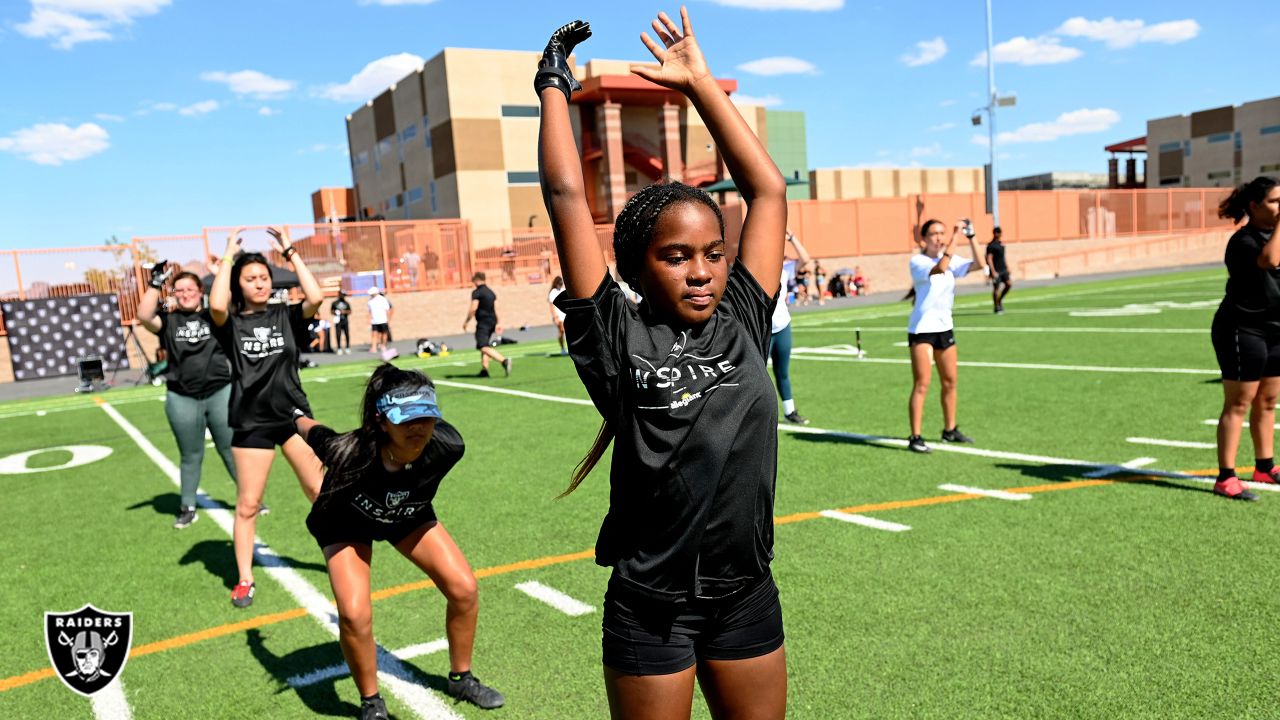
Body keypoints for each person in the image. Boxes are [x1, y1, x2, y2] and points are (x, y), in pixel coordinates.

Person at [537, 11, 789, 719]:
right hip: (652, 609)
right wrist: (554, 83)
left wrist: (701, 84)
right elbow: (564, 197)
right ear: (638, 268)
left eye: (713, 253)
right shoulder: (617, 337)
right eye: (676, 257)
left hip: (745, 594)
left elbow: (766, 192)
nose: (702, 271)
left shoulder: (743, 314)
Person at [292, 365, 505, 716]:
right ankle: (371, 702)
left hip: (407, 514)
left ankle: (461, 677)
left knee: (464, 588)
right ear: (380, 420)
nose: (418, 427)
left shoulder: (448, 446)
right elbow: (312, 431)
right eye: (405, 418)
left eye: (426, 416)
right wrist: (292, 413)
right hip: (346, 523)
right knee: (354, 614)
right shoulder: (347, 452)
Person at [210, 226, 326, 608]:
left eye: (263, 277)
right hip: (252, 421)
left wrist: (289, 250)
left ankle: (337, 554)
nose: (259, 284)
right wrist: (229, 254)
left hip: (293, 417)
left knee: (319, 493)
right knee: (248, 504)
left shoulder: (286, 315)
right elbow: (214, 305)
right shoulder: (230, 323)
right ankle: (245, 578)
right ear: (239, 284)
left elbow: (316, 296)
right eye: (251, 279)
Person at [135, 264, 237, 529]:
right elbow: (144, 314)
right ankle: (188, 505)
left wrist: (223, 265)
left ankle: (250, 499)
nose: (185, 294)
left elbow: (223, 298)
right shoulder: (169, 321)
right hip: (182, 396)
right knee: (190, 454)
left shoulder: (213, 315)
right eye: (179, 290)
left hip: (219, 392)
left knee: (230, 449)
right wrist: (155, 282)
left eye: (190, 288)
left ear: (200, 291)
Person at [1210, 176, 1280, 501]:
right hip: (1242, 329)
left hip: (1275, 329)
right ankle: (1225, 477)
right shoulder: (1243, 241)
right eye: (1275, 201)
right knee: (1239, 403)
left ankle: (1265, 466)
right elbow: (1269, 261)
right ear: (1254, 206)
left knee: (1268, 401)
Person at [906, 218, 985, 454]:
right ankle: (915, 436)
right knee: (922, 384)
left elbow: (980, 264)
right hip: (922, 330)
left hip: (944, 327)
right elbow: (940, 269)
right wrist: (954, 239)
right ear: (924, 239)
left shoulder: (952, 260)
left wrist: (971, 237)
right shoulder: (918, 261)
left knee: (950, 382)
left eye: (942, 233)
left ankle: (949, 429)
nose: (939, 237)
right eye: (934, 234)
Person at [773, 232, 812, 425]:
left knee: (783, 372)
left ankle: (790, 411)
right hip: (760, 329)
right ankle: (754, 414)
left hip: (781, 326)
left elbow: (805, 259)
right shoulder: (757, 268)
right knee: (755, 375)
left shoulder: (786, 269)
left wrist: (791, 237)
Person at [462, 272, 511, 377]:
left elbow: (473, 308)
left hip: (483, 322)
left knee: (482, 346)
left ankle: (504, 361)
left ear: (476, 280)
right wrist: (499, 322)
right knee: (485, 344)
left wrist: (466, 321)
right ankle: (485, 369)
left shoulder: (477, 292)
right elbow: (496, 308)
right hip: (492, 321)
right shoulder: (491, 292)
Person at [986, 226, 1012, 314]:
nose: (999, 235)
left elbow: (1003, 257)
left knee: (1009, 284)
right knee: (996, 288)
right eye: (998, 233)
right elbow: (989, 258)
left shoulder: (1001, 244)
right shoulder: (991, 245)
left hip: (1003, 269)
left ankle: (999, 300)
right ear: (995, 233)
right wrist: (993, 271)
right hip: (996, 270)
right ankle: (996, 306)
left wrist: (1007, 267)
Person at [367, 287, 392, 354]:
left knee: (384, 333)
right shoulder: (370, 301)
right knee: (374, 334)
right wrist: (369, 321)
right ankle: (374, 347)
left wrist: (388, 320)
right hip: (374, 321)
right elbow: (370, 311)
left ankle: (383, 345)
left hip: (383, 320)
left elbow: (387, 310)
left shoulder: (382, 299)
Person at [548, 275, 568, 355]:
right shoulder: (553, 292)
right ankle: (563, 348)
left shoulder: (563, 290)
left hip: (565, 314)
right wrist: (555, 317)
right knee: (562, 331)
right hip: (558, 316)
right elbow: (551, 306)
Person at [332, 290, 352, 355]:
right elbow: (331, 311)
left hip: (345, 321)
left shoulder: (346, 303)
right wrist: (336, 312)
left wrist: (344, 312)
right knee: (338, 334)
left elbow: (350, 311)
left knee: (347, 334)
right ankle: (339, 348)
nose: (343, 296)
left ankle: (347, 347)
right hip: (338, 321)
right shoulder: (335, 303)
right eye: (342, 295)